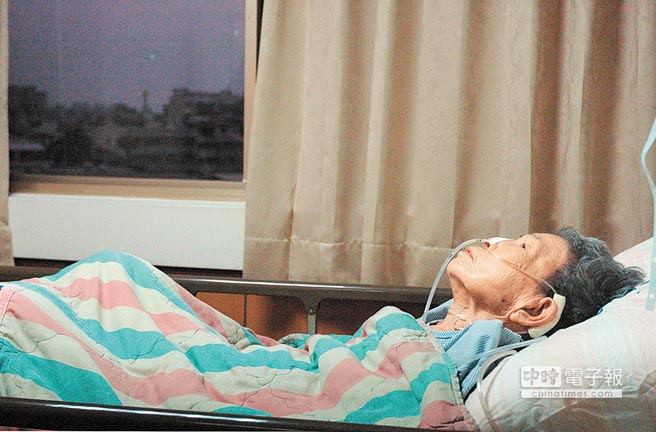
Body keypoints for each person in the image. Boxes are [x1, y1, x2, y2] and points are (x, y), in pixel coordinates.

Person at [423, 226, 645, 397]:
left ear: (534, 310)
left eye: (523, 247)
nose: (491, 242)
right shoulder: (421, 328)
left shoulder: (447, 373)